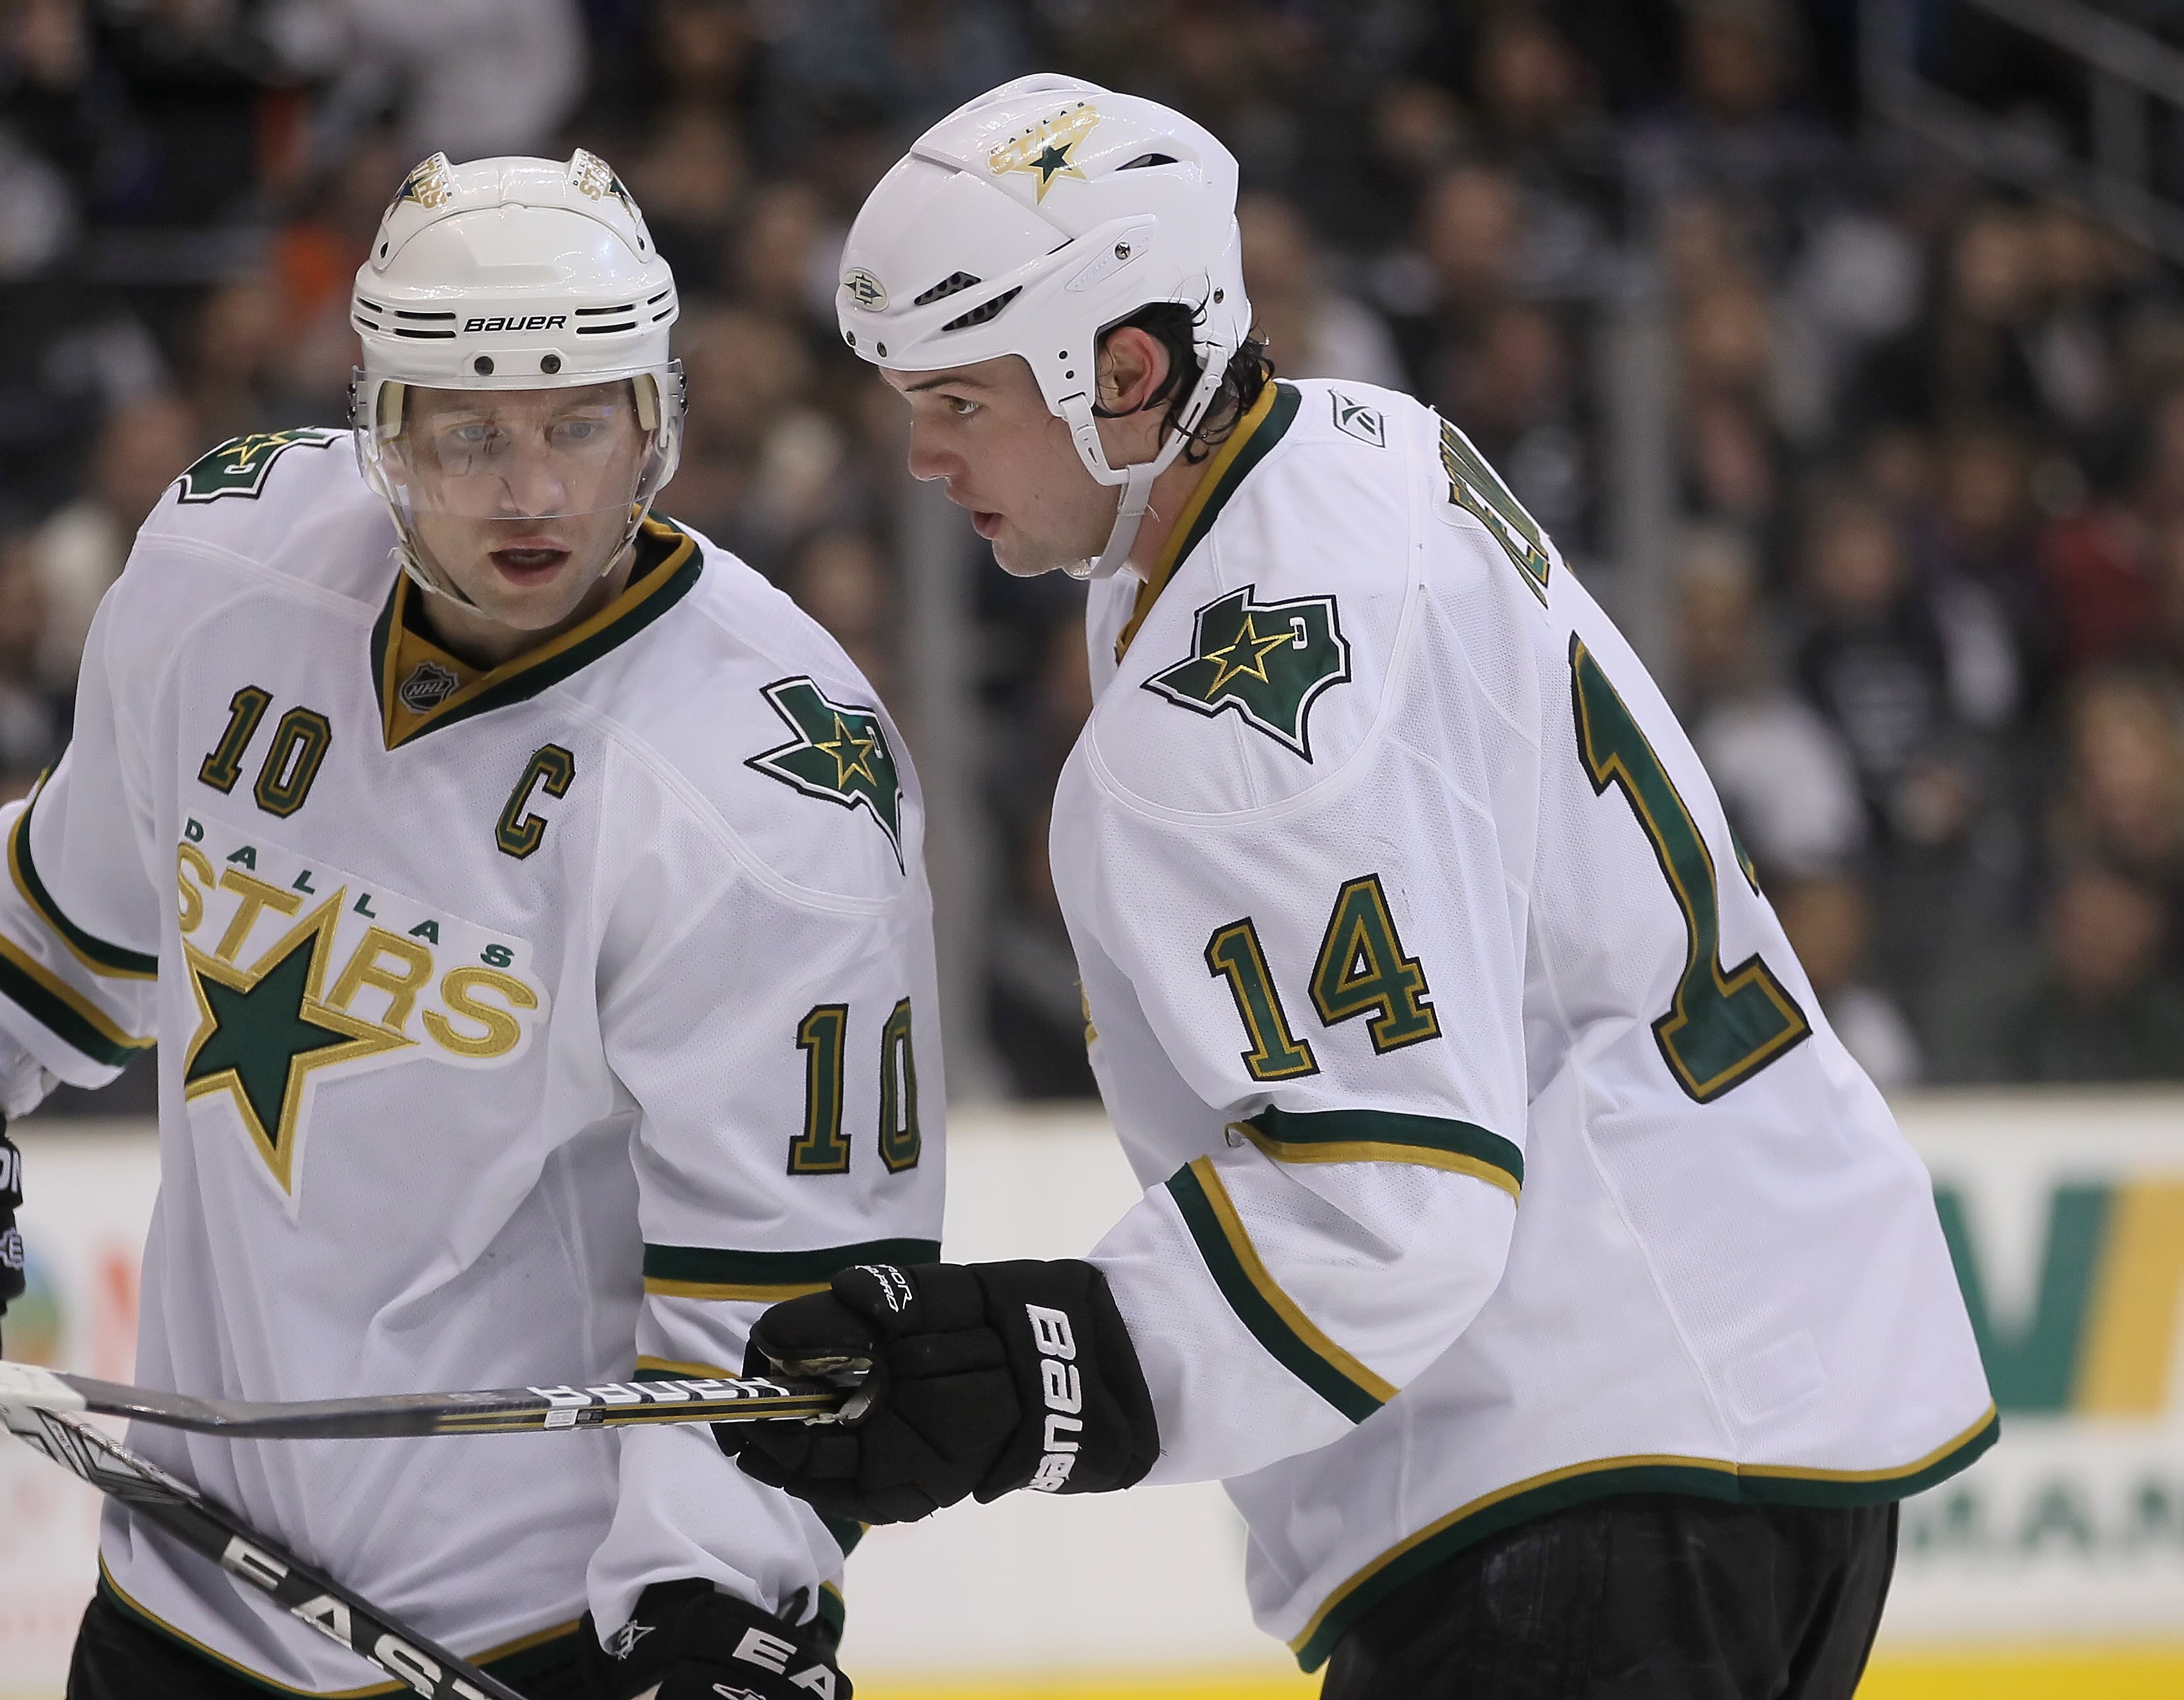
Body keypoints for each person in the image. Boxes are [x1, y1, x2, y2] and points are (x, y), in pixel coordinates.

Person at [722, 76, 1994, 1699]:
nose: (916, 454)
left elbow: (1394, 1198)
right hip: (1741, 1395)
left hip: (1586, 1466)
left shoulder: (1233, 719)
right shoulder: (1353, 446)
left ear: (1125, 373)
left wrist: (1040, 1365)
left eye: (959, 399)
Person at [0, 151, 943, 1700]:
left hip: (532, 1631)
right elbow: (65, 922)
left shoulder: (772, 787)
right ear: (383, 422)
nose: (536, 491)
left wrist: (719, 1605)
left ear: (658, 413)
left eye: (580, 419)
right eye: (472, 429)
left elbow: (788, 1305)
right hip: (175, 1604)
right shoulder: (223, 562)